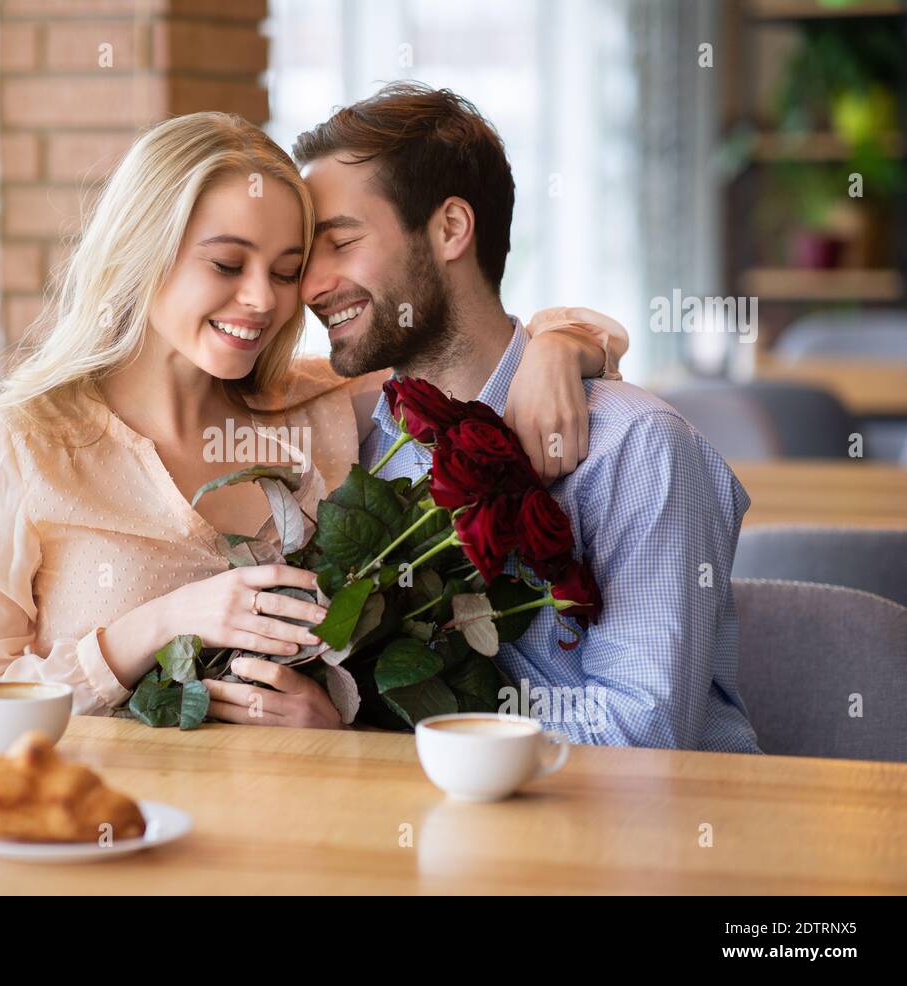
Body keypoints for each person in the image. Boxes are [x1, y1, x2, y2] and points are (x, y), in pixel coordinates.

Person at [0, 110, 625, 730]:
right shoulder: (20, 445)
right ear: (141, 251)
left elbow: (477, 346)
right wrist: (154, 626)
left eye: (287, 271)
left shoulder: (325, 403)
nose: (262, 299)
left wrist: (560, 349)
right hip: (99, 844)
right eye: (227, 263)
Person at [293, 82, 760, 751]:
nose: (312, 286)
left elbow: (640, 736)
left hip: (657, 833)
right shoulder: (354, 441)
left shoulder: (636, 445)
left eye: (341, 243)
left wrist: (363, 728)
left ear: (451, 229)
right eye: (305, 258)